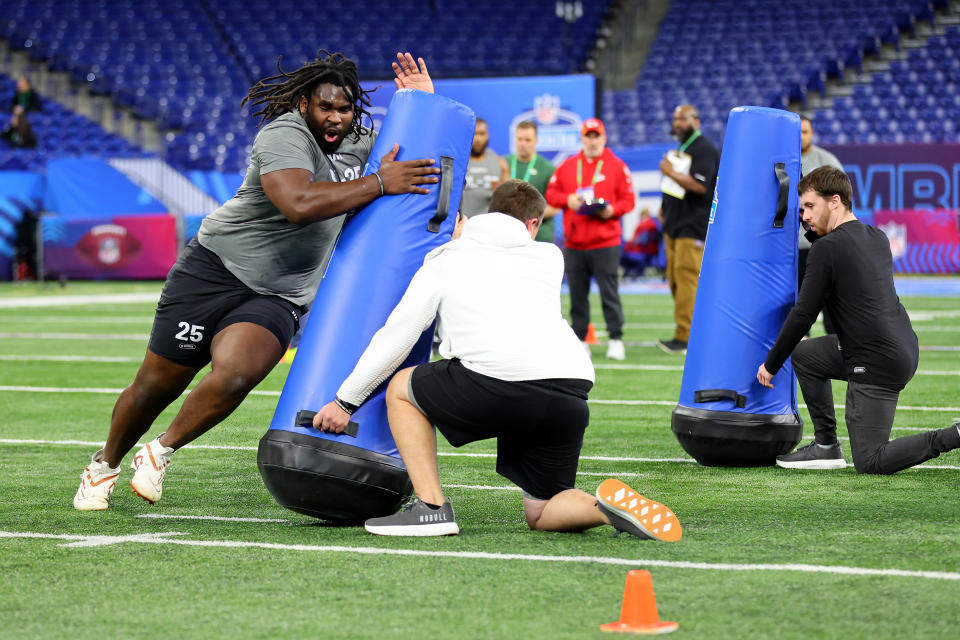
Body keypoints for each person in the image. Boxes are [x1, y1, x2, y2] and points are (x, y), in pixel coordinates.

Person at [73, 51, 441, 511]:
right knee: (155, 387)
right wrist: (378, 184)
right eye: (326, 107)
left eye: (344, 110)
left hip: (281, 291)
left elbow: (415, 154)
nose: (335, 118)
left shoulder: (361, 140)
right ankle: (104, 464)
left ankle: (160, 450)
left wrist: (422, 104)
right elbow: (298, 202)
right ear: (304, 103)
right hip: (214, 269)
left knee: (237, 375)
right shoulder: (284, 132)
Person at [313, 180, 682, 540]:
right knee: (542, 511)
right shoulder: (550, 257)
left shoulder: (449, 257)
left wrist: (347, 400)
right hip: (570, 389)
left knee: (400, 388)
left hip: (498, 382)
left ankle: (431, 506)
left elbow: (400, 333)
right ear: (533, 224)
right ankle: (604, 510)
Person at [757, 167, 960, 473]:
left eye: (810, 207)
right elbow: (840, 256)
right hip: (902, 346)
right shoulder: (875, 236)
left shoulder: (828, 248)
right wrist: (816, 235)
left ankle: (953, 435)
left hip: (875, 360)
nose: (804, 217)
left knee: (871, 461)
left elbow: (803, 315)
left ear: (835, 201)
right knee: (806, 355)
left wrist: (770, 365)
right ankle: (826, 446)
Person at [545, 118, 635, 361]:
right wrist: (569, 200)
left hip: (605, 242)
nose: (593, 141)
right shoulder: (567, 166)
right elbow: (552, 194)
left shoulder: (616, 166)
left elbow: (629, 200)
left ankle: (616, 339)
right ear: (582, 138)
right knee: (577, 295)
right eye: (589, 136)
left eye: (597, 136)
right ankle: (581, 339)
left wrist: (612, 210)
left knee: (610, 292)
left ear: (603, 138)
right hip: (575, 243)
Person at [656, 105, 719, 355]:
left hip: (692, 227)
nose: (677, 123)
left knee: (687, 281)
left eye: (682, 119)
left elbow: (701, 187)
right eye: (674, 119)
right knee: (675, 280)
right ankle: (686, 333)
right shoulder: (682, 148)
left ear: (696, 120)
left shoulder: (704, 149)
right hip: (674, 225)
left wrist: (670, 172)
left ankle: (687, 337)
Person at [799, 115, 843, 334]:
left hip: (824, 246)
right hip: (791, 251)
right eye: (796, 131)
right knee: (795, 309)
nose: (800, 136)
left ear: (812, 133)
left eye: (804, 131)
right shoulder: (780, 162)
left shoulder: (827, 161)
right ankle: (794, 358)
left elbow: (842, 201)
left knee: (832, 307)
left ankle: (837, 353)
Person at [502, 121, 558, 242]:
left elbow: (555, 207)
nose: (523, 144)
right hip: (508, 235)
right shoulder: (503, 164)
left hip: (539, 237)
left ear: (536, 141)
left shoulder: (548, 168)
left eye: (527, 140)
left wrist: (525, 214)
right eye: (519, 139)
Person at [461, 117, 508, 217]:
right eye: (474, 134)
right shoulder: (458, 162)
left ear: (487, 135)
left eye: (481, 134)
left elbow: (508, 199)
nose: (478, 139)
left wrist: (501, 192)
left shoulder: (500, 162)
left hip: (490, 226)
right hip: (463, 225)